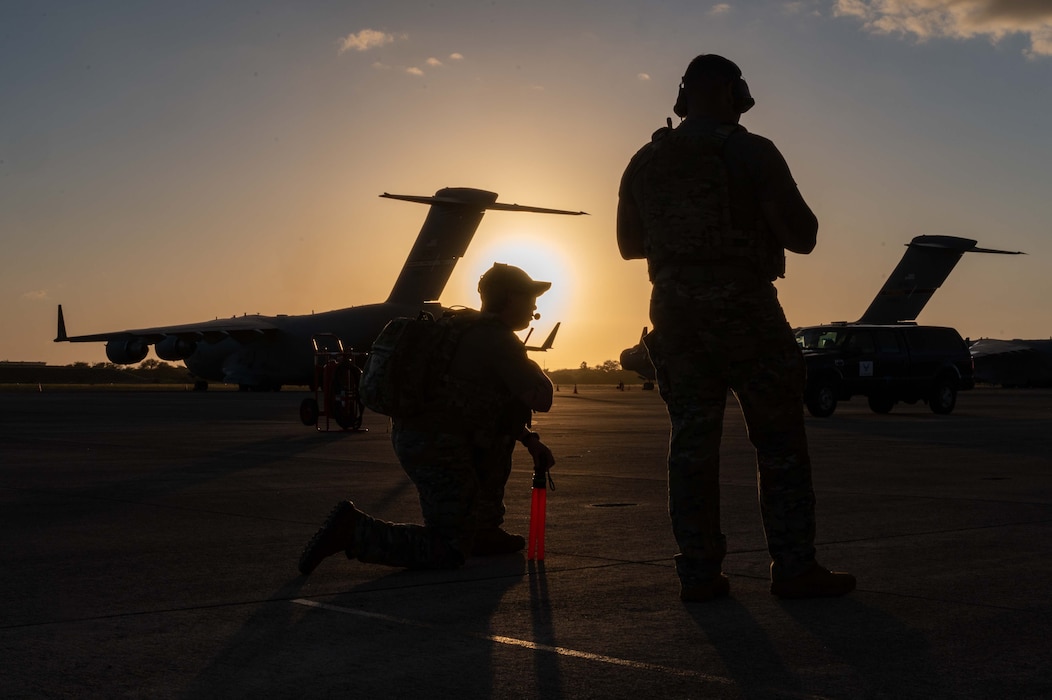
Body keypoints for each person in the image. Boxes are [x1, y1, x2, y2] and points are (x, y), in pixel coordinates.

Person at [616, 54, 855, 601]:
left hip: (672, 308)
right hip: (741, 302)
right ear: (731, 90)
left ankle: (698, 574)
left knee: (692, 441)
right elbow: (803, 235)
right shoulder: (751, 151)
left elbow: (630, 246)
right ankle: (794, 567)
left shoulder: (645, 160)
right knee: (778, 439)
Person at [298, 263, 557, 574]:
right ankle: (354, 531)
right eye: (529, 297)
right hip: (437, 446)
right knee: (448, 549)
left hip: (426, 436)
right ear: (509, 298)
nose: (534, 306)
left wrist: (529, 439)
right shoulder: (497, 340)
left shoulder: (462, 327)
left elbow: (490, 406)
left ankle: (483, 532)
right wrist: (531, 365)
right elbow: (540, 398)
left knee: (495, 442)